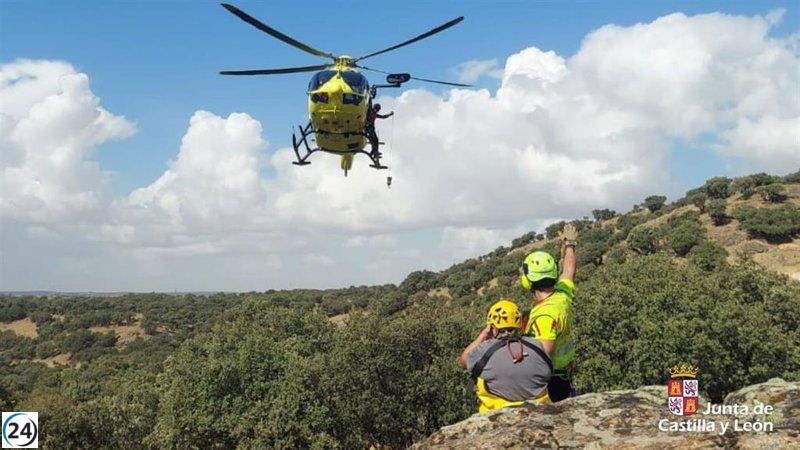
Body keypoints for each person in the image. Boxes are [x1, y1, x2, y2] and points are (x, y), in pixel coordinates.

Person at [459, 300, 553, 412]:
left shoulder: (484, 349)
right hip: (540, 409)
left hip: (497, 412)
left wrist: (483, 335)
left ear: (492, 326)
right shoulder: (537, 345)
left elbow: (463, 361)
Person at [520, 223, 578, 402]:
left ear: (528, 281)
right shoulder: (562, 295)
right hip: (564, 376)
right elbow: (569, 270)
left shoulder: (544, 317)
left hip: (550, 382)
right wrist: (570, 245)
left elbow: (542, 355)